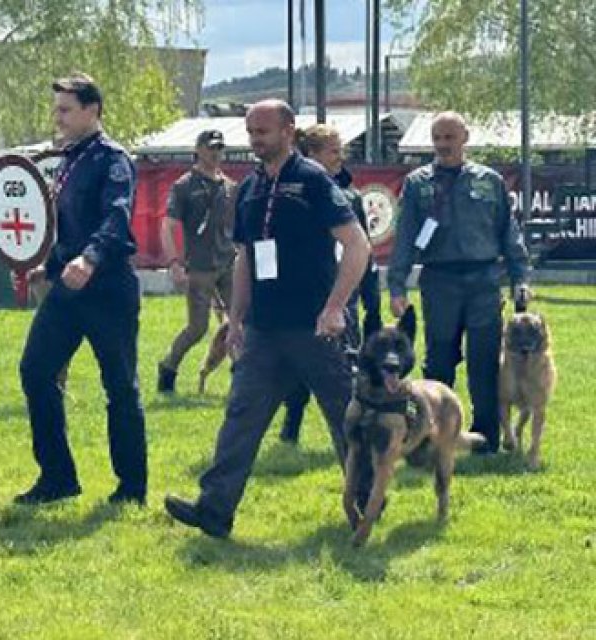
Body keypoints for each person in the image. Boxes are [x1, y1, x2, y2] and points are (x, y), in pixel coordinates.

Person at [164, 99, 372, 538]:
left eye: (264, 131)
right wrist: (236, 320)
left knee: (343, 417)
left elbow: (357, 246)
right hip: (263, 329)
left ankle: (367, 500)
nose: (256, 139)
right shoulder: (250, 188)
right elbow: (245, 258)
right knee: (241, 416)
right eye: (251, 131)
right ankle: (214, 510)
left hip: (316, 328)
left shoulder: (313, 180)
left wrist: (335, 307)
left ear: (289, 130)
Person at [13, 73, 147, 506]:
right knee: (36, 371)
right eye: (57, 109)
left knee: (120, 387)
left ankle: (131, 488)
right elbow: (66, 227)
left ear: (93, 110)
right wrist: (47, 264)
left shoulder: (113, 160)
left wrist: (89, 258)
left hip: (107, 287)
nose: (59, 117)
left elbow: (116, 216)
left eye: (66, 109)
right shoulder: (69, 160)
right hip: (68, 288)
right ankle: (57, 478)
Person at [387, 111, 531, 455]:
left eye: (450, 138)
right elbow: (406, 236)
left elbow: (508, 233)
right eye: (437, 139)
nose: (443, 146)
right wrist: (397, 286)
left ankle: (485, 439)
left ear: (465, 137)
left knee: (483, 362)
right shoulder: (418, 182)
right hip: (440, 280)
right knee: (438, 361)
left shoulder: (489, 180)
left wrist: (520, 277)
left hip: (484, 280)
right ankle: (429, 434)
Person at [277, 123, 383, 443]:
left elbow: (363, 250)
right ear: (311, 155)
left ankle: (351, 430)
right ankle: (290, 425)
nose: (341, 158)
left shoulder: (349, 196)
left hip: (342, 294)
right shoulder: (291, 192)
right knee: (297, 362)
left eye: (342, 151)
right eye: (333, 151)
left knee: (344, 364)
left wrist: (372, 302)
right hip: (302, 292)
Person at [156, 128, 238, 394]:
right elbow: (168, 226)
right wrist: (175, 263)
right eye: (211, 147)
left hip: (228, 263)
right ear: (199, 150)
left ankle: (242, 376)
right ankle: (168, 366)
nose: (216, 153)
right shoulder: (185, 186)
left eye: (220, 148)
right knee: (198, 327)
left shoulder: (229, 187)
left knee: (240, 322)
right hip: (200, 266)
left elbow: (237, 227)